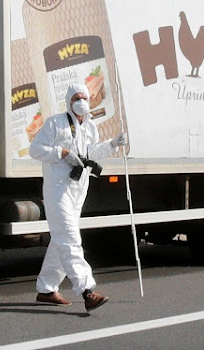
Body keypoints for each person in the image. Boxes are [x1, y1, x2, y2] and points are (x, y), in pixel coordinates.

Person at [29, 83, 127, 312]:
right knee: (70, 238)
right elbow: (35, 149)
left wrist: (112, 144)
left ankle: (46, 289)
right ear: (69, 101)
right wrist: (62, 153)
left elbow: (91, 152)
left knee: (60, 240)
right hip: (57, 189)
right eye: (76, 98)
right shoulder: (55, 123)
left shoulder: (91, 127)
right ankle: (87, 291)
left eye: (84, 97)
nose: (81, 102)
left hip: (78, 189)